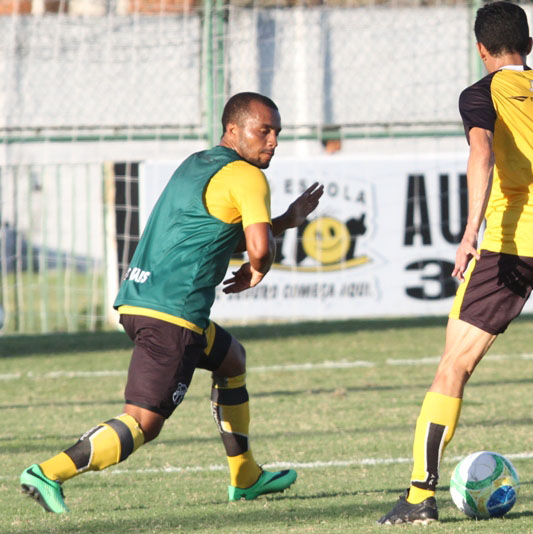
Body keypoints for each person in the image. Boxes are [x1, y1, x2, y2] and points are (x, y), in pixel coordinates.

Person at [377, 1, 533, 525]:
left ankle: (420, 496)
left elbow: (482, 153)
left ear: (480, 49)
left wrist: (470, 230)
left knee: (454, 365)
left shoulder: (482, 92)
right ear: (529, 45)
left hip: (513, 242)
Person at [19, 92, 324, 514]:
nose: (273, 141)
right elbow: (258, 249)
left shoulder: (197, 163)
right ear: (233, 129)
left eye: (277, 133)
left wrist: (286, 221)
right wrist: (258, 269)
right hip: (173, 314)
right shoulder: (248, 176)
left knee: (231, 359)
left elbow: (215, 235)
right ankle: (47, 472)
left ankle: (246, 477)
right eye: (264, 131)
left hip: (141, 299)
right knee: (143, 422)